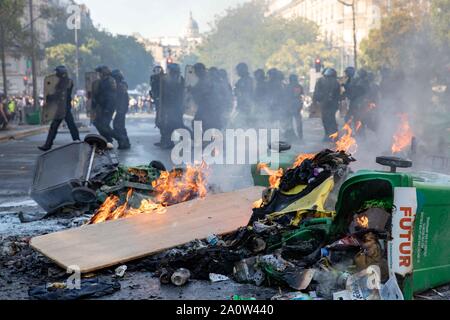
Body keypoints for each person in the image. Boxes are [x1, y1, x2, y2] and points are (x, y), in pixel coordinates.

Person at [38, 66, 80, 151]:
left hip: (65, 108)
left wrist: (50, 97)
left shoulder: (67, 82)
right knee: (55, 126)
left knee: (71, 126)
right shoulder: (61, 82)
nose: (56, 74)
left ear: (62, 74)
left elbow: (61, 94)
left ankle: (77, 142)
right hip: (60, 107)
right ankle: (48, 145)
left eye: (58, 73)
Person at [156, 63, 185, 149]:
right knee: (167, 124)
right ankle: (166, 141)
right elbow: (161, 92)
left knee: (177, 125)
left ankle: (186, 140)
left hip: (175, 106)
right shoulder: (165, 79)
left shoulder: (180, 80)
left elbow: (182, 93)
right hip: (168, 105)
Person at [93, 65, 118, 149]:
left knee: (104, 125)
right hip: (102, 106)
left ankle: (119, 138)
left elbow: (111, 96)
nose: (98, 74)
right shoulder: (102, 81)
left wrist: (108, 108)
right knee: (97, 123)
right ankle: (108, 140)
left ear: (103, 72)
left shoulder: (109, 81)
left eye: (99, 72)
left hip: (108, 107)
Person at [313, 68, 340, 140]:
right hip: (329, 104)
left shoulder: (321, 81)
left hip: (327, 104)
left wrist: (315, 101)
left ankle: (330, 135)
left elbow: (316, 93)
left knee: (328, 119)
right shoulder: (335, 82)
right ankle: (332, 135)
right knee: (329, 119)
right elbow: (317, 93)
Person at [112, 69, 131, 150]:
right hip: (121, 109)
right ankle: (125, 142)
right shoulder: (120, 85)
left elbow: (122, 99)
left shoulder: (121, 85)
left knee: (118, 126)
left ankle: (123, 142)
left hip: (121, 109)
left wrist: (120, 109)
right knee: (120, 126)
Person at [286, 74, 305, 140]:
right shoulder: (299, 86)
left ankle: (292, 136)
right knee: (298, 122)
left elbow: (286, 96)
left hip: (290, 105)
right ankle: (300, 137)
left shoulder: (288, 86)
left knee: (290, 122)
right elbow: (301, 95)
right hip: (297, 105)